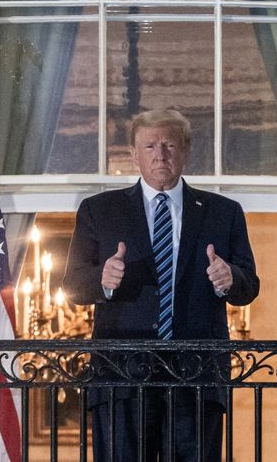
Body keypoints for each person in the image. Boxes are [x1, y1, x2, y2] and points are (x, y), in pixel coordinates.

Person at [63, 109, 259, 461]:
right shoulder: (99, 210)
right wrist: (102, 281)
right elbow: (74, 286)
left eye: (169, 145)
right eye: (150, 146)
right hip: (121, 375)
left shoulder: (223, 211)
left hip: (197, 375)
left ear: (186, 151)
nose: (160, 155)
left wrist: (230, 279)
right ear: (134, 154)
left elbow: (249, 287)